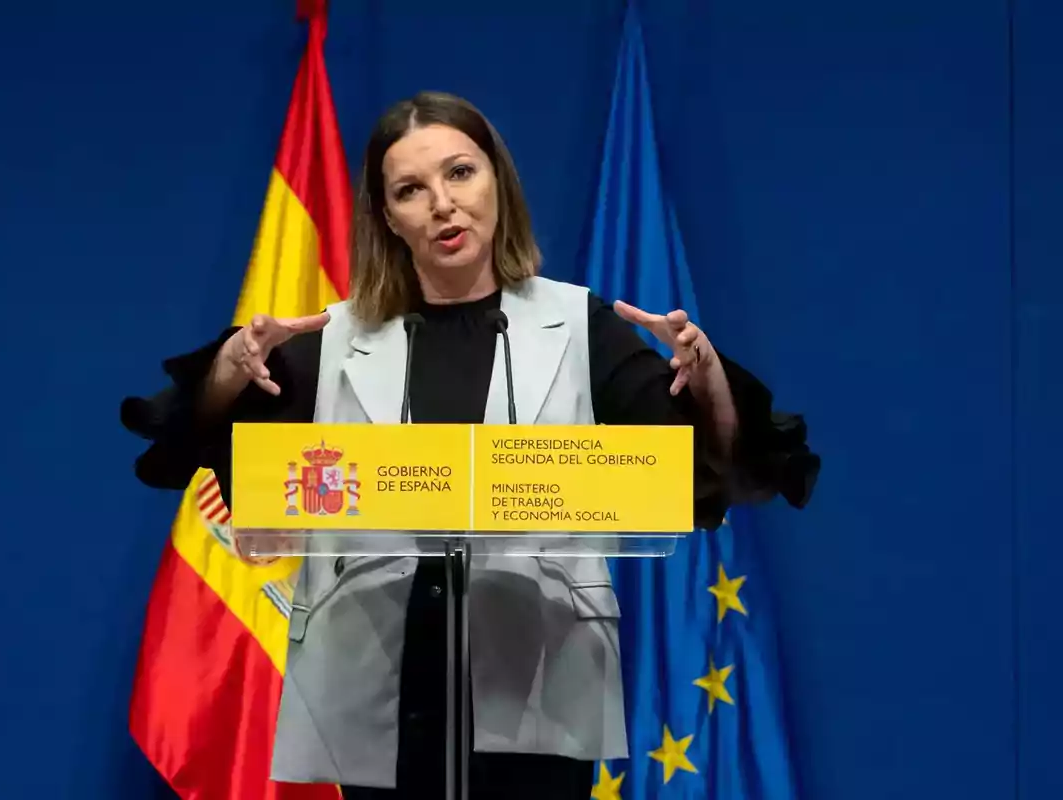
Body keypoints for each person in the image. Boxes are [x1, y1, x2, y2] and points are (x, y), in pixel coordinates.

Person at [121, 91, 819, 798]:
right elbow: (198, 448)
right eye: (411, 190)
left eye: (460, 173)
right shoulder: (333, 338)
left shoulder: (580, 326)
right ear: (388, 217)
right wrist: (225, 376)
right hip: (379, 688)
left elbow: (701, 471)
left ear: (497, 181)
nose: (442, 204)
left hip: (539, 683)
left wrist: (708, 386)